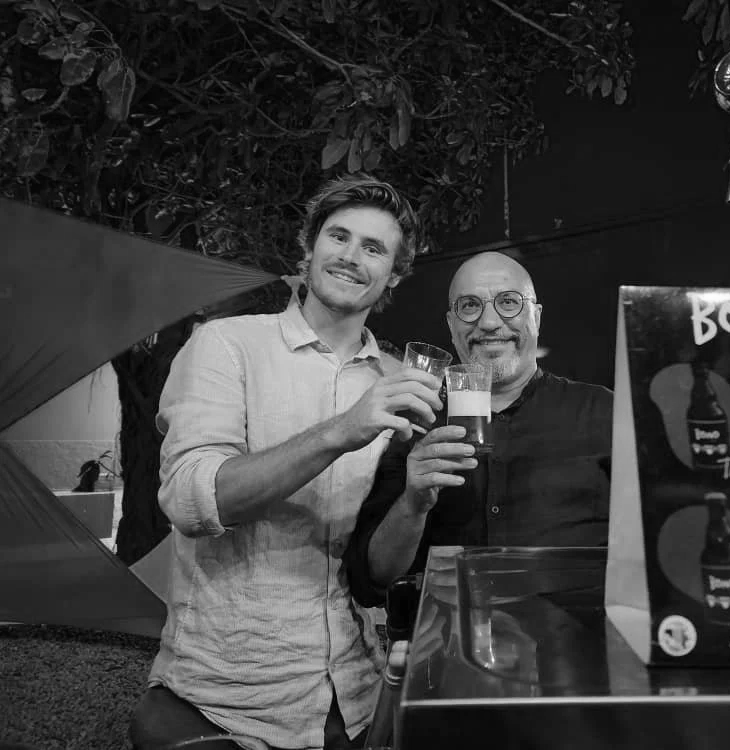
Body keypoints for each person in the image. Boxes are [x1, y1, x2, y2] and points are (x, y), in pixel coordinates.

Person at [129, 174, 445, 750]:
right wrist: (343, 430)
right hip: (229, 695)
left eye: (374, 248)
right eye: (339, 237)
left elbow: (377, 570)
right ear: (309, 248)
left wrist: (416, 498)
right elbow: (192, 499)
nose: (351, 257)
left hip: (355, 694)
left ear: (394, 274)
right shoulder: (226, 345)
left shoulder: (400, 381)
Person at [344, 251, 613, 609]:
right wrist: (413, 504)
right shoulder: (416, 423)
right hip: (451, 652)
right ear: (452, 325)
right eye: (470, 306)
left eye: (508, 303)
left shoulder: (604, 412)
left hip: (574, 652)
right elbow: (373, 580)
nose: (488, 322)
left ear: (537, 316)